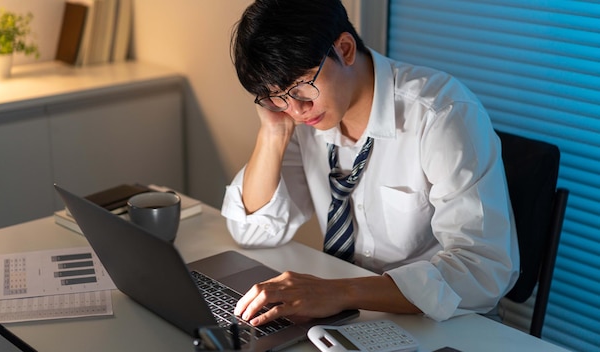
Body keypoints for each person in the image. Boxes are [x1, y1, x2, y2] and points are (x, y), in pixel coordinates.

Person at [221, 0, 519, 326]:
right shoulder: (299, 117)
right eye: (276, 96)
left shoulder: (442, 114)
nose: (296, 109)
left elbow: (483, 270)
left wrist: (340, 293)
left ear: (345, 49)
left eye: (302, 87)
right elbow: (250, 230)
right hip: (354, 318)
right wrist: (273, 131)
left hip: (443, 323)